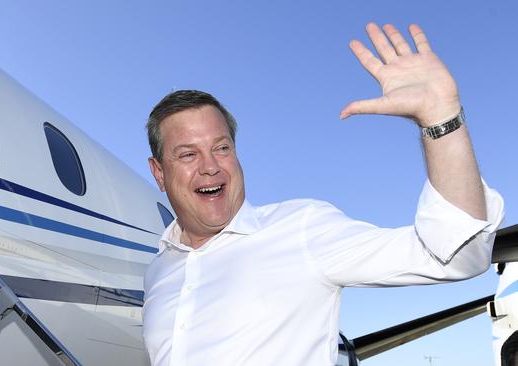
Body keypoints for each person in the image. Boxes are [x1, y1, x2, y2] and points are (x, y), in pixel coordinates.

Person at [141, 23, 504, 365]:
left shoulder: (301, 229)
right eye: (188, 154)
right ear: (159, 172)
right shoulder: (159, 271)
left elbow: (459, 256)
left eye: (221, 148)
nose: (210, 166)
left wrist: (441, 120)